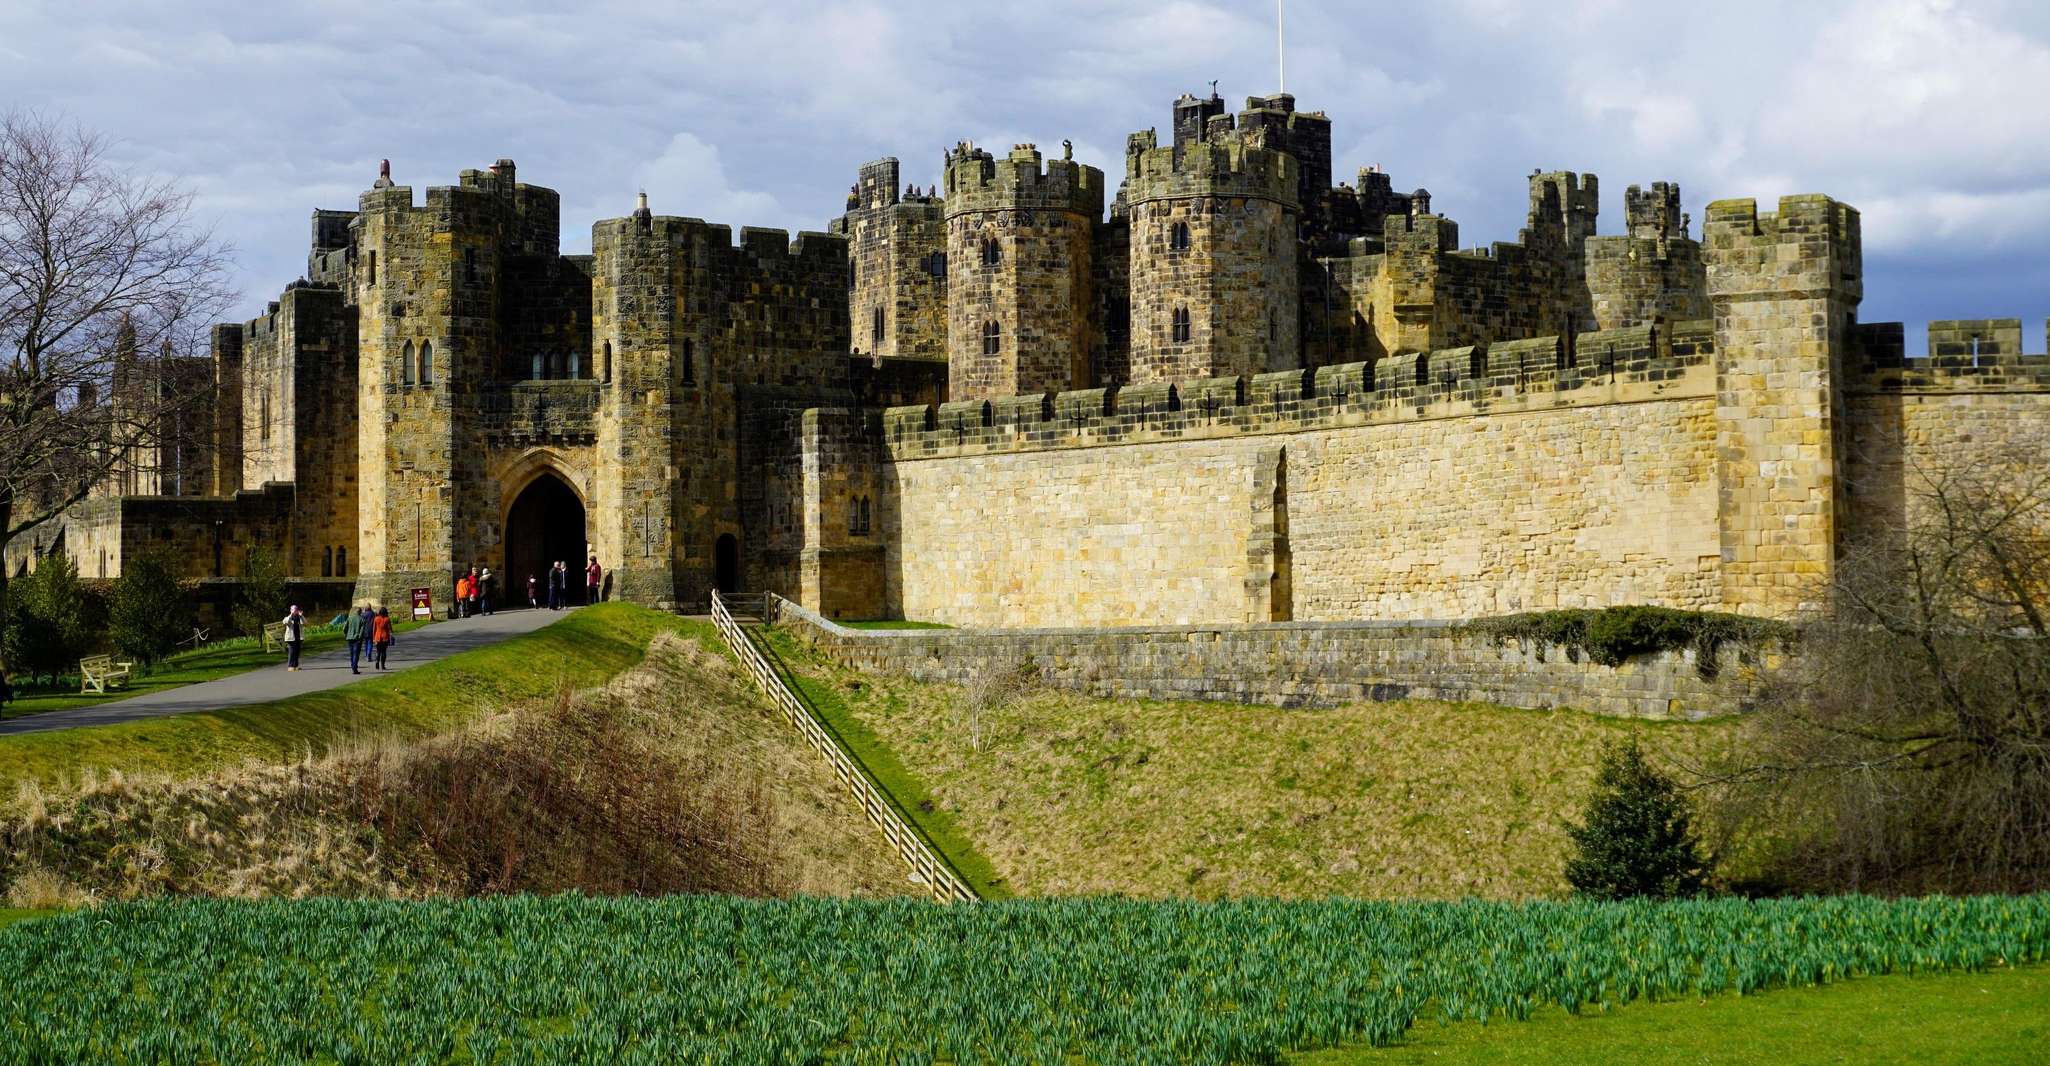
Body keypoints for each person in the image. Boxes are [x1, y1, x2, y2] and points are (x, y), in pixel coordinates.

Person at [344, 605, 371, 675]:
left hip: (350, 638)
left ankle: (353, 666)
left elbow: (344, 628)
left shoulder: (350, 618)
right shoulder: (361, 619)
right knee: (356, 654)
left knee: (351, 653)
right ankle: (354, 667)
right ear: (360, 612)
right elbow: (361, 631)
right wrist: (360, 637)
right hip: (357, 639)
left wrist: (346, 634)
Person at [280, 604, 306, 671]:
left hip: (298, 637)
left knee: (297, 652)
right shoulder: (288, 618)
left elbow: (305, 622)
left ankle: (296, 666)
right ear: (291, 611)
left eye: (296, 610)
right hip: (291, 638)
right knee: (292, 652)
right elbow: (284, 622)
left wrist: (301, 615)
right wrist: (291, 615)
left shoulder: (299, 617)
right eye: (294, 610)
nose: (295, 612)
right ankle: (290, 666)